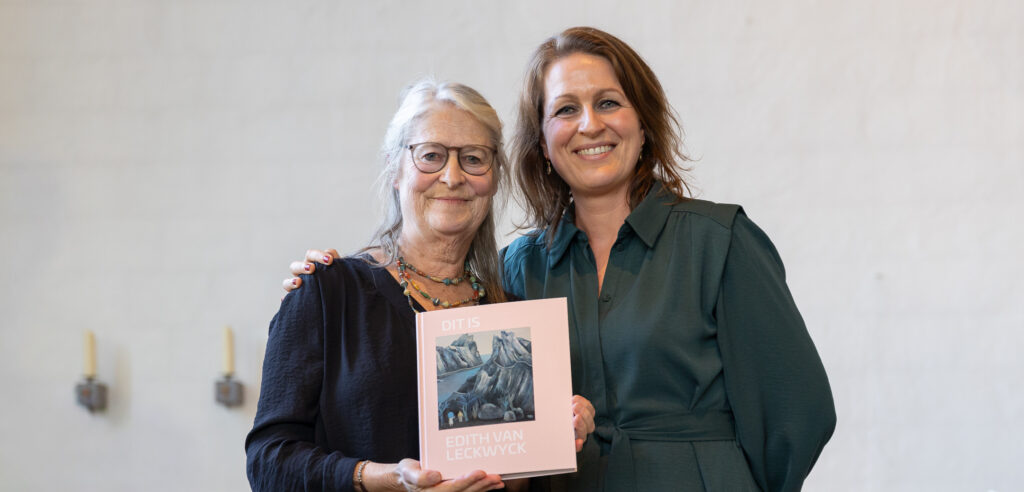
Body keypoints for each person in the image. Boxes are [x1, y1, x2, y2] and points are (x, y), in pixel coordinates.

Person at [288, 27, 835, 491]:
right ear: (544, 143)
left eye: (608, 103)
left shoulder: (720, 242)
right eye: (566, 109)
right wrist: (323, 280)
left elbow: (798, 413)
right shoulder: (515, 268)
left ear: (643, 123)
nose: (589, 125)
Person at [246, 79, 595, 492]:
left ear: (494, 177)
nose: (453, 176)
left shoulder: (508, 314)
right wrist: (385, 479)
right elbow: (268, 461)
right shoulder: (328, 292)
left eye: (473, 158)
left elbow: (513, 481)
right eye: (430, 155)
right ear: (396, 169)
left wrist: (549, 440)